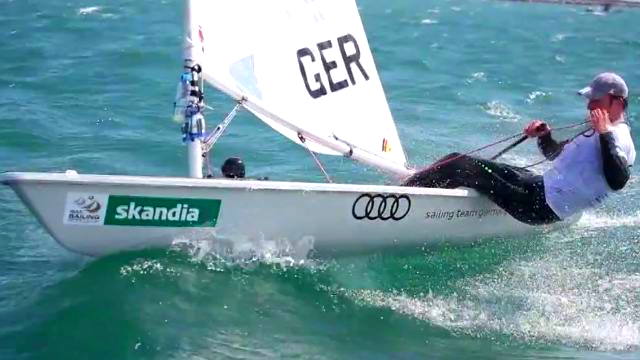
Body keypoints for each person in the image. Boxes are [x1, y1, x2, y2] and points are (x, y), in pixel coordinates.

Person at [402, 72, 635, 225]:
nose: (590, 104)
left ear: (617, 102)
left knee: (457, 164)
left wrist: (605, 132)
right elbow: (554, 154)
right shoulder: (597, 130)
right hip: (540, 188)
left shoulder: (618, 136)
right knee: (471, 164)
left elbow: (618, 180)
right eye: (590, 99)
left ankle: (401, 196)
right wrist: (544, 136)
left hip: (539, 205)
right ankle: (425, 182)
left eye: (596, 100)